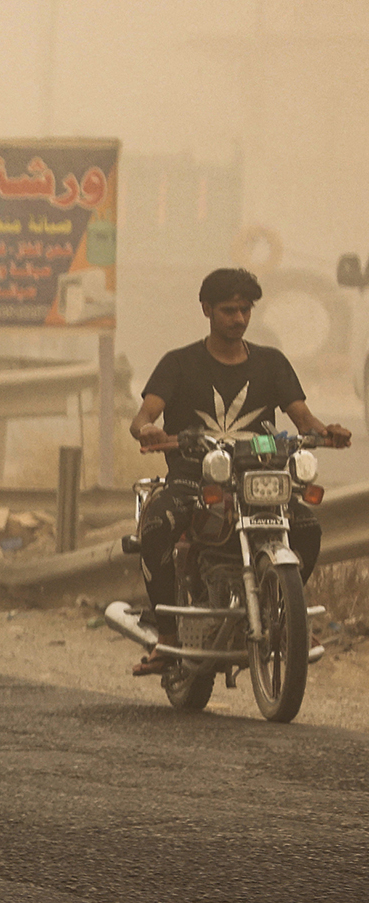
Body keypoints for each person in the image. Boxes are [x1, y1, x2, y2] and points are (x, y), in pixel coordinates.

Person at [127, 266, 351, 676]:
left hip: (257, 480)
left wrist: (326, 432)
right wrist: (148, 430)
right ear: (207, 310)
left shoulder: (272, 363)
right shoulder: (178, 364)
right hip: (193, 479)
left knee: (308, 528)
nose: (239, 319)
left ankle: (288, 619)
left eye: (245, 310)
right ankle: (168, 637)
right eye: (229, 310)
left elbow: (304, 419)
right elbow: (142, 416)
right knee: (158, 524)